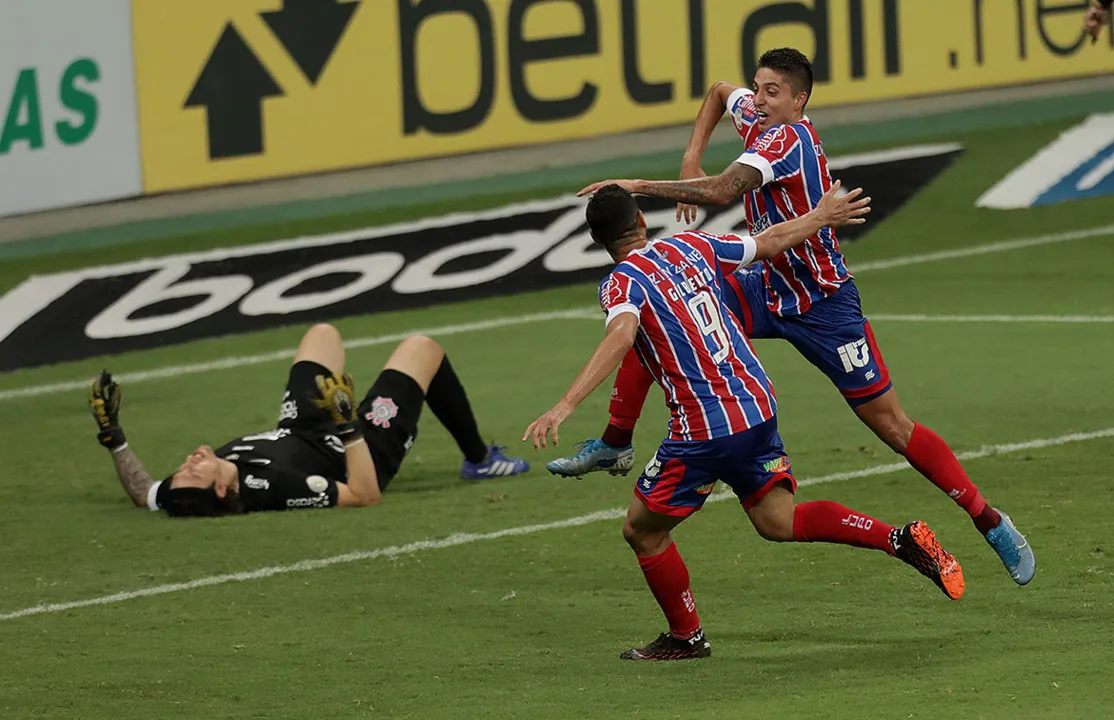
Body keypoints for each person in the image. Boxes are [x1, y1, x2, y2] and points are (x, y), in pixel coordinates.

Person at [553, 47, 1035, 587]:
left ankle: (988, 519)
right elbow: (717, 92)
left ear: (799, 101)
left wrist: (638, 186)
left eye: (770, 92)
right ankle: (616, 441)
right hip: (766, 284)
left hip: (823, 303)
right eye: (757, 88)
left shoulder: (788, 138)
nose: (757, 99)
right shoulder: (760, 115)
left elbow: (719, 191)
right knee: (661, 309)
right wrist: (692, 153)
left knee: (892, 426)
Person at [525, 182, 966, 661]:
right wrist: (821, 216)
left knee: (642, 531)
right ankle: (899, 540)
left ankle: (686, 637)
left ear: (597, 241)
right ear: (643, 223)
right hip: (756, 403)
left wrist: (564, 405)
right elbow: (771, 241)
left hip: (704, 429)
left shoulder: (620, 284)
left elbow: (622, 335)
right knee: (777, 519)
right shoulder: (689, 245)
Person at [88, 324, 529, 516]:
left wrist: (115, 440)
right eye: (193, 472)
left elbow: (144, 492)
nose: (187, 464)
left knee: (322, 335)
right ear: (222, 489)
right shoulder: (275, 486)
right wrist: (347, 425)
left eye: (181, 471)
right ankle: (480, 459)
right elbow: (364, 494)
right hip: (358, 448)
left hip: (303, 426)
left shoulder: (183, 497)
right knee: (422, 349)